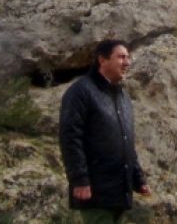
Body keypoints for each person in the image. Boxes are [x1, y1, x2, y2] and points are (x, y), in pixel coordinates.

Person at [59, 39, 151, 223]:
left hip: (120, 194)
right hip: (95, 193)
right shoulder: (81, 91)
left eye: (128, 57)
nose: (127, 62)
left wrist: (138, 178)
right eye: (121, 57)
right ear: (102, 60)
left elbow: (126, 142)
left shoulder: (122, 96)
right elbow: (70, 138)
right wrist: (79, 180)